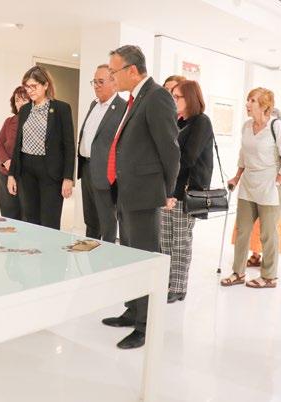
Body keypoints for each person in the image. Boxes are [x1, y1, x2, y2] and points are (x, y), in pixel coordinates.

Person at [100, 45, 180, 349]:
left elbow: (170, 150)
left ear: (132, 70)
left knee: (145, 260)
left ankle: (146, 325)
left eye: (114, 72)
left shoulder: (157, 97)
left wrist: (167, 192)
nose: (111, 77)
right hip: (128, 191)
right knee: (130, 257)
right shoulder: (136, 98)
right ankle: (133, 311)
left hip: (145, 194)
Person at [221, 88, 281, 289]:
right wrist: (237, 176)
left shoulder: (277, 126)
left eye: (252, 100)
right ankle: (238, 273)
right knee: (242, 230)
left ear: (265, 106)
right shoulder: (247, 126)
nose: (247, 104)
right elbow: (243, 154)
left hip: (271, 187)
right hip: (248, 185)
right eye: (248, 100)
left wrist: (277, 181)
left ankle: (269, 277)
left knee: (267, 233)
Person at [161, 80, 214, 304]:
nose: (173, 100)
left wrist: (167, 169)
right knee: (165, 240)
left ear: (190, 98)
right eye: (172, 96)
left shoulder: (201, 122)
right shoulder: (178, 121)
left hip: (185, 192)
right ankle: (165, 282)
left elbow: (188, 157)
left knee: (181, 242)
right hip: (168, 190)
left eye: (177, 97)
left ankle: (178, 287)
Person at [7, 66, 75, 230]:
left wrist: (68, 177)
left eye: (34, 86)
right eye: (27, 87)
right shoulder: (24, 110)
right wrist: (12, 175)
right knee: (31, 218)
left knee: (50, 220)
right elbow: (18, 145)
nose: (30, 91)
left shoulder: (61, 109)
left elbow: (69, 145)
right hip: (26, 171)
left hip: (50, 171)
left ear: (45, 85)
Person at [77, 64, 126, 242]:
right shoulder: (94, 104)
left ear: (114, 82)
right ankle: (90, 250)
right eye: (94, 82)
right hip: (86, 168)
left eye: (100, 81)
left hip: (106, 173)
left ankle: (107, 254)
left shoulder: (122, 107)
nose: (96, 86)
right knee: (90, 219)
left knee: (107, 222)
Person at [0, 86, 30, 219]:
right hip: (6, 173)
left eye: (24, 100)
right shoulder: (9, 122)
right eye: (17, 100)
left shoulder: (36, 124)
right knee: (8, 214)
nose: (20, 103)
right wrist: (6, 161)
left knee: (26, 215)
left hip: (26, 176)